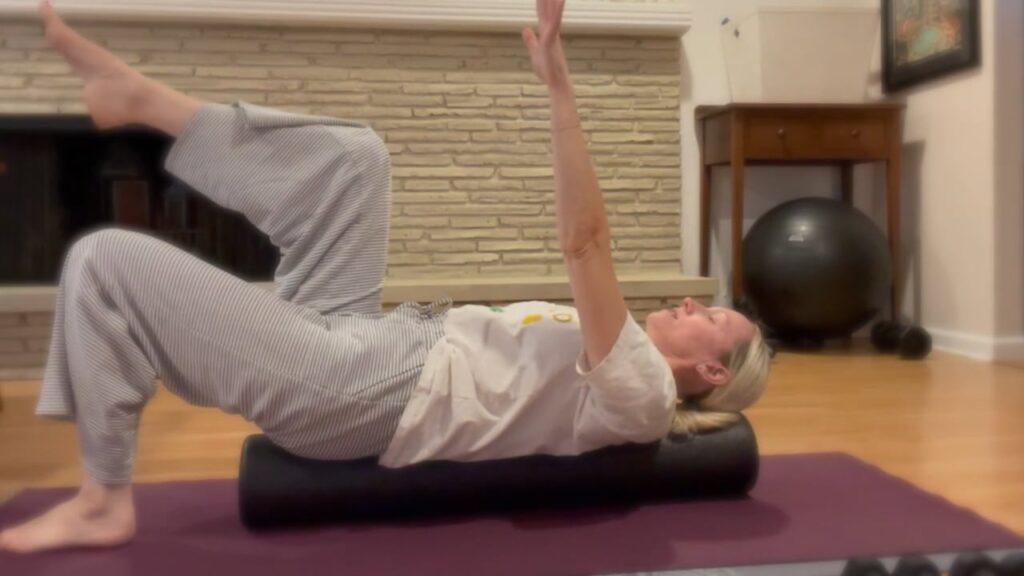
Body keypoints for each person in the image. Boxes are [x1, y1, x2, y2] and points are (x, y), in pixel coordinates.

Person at [0, 0, 771, 554]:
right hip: (376, 339)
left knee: (106, 260)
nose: (691, 301)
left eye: (712, 318)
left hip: (368, 394)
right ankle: (146, 102)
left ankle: (103, 499)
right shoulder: (626, 351)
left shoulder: (642, 389)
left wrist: (560, 93)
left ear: (708, 368)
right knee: (356, 159)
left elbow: (586, 243)